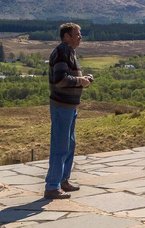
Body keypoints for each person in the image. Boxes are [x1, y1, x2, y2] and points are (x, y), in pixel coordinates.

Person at [44, 22, 93, 200]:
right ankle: (52, 186)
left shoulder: (69, 51)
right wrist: (80, 81)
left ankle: (63, 180)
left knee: (69, 144)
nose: (80, 36)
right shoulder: (63, 51)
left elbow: (67, 76)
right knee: (60, 146)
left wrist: (83, 78)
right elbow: (60, 79)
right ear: (66, 36)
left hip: (70, 107)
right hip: (62, 106)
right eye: (77, 34)